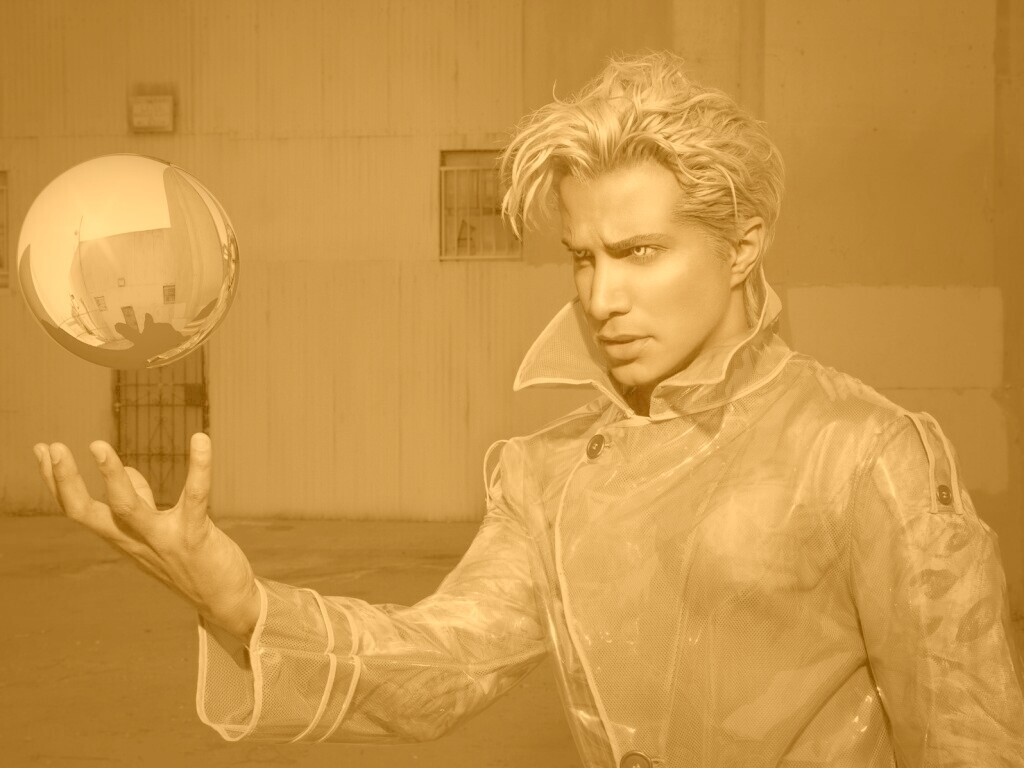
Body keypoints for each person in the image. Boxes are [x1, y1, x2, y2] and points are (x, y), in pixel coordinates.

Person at [34, 52, 1024, 767]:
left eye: (639, 252)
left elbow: (969, 735)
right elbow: (444, 663)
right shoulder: (547, 473)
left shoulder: (864, 454)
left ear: (744, 245)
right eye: (581, 258)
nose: (601, 297)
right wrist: (245, 605)